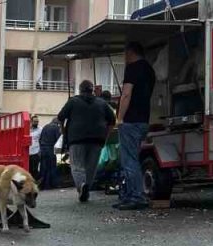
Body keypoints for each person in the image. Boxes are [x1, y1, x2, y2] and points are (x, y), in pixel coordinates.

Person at [57, 80, 116, 203]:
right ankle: (87, 188)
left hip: (76, 138)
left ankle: (81, 185)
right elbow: (112, 120)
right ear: (92, 90)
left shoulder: (73, 101)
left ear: (80, 90)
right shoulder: (101, 103)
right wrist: (106, 136)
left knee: (77, 166)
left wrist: (63, 131)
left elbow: (60, 117)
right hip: (97, 139)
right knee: (91, 167)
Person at [117, 41, 156, 210]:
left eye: (125, 53)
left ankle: (135, 197)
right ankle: (130, 195)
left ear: (130, 52)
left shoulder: (132, 68)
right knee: (133, 159)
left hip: (130, 120)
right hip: (143, 120)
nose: (124, 57)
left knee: (129, 160)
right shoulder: (149, 70)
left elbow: (126, 94)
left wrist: (120, 118)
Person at [37, 117, 62, 190]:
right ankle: (50, 185)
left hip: (43, 149)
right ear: (57, 122)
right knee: (51, 167)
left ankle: (42, 185)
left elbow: (40, 139)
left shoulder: (45, 126)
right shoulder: (56, 128)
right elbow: (58, 139)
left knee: (43, 167)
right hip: (50, 149)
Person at [28, 115, 42, 180]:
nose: (36, 123)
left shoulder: (40, 129)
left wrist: (40, 151)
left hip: (36, 152)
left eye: (37, 121)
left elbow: (41, 140)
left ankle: (35, 181)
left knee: (35, 169)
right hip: (28, 152)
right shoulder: (27, 129)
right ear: (31, 121)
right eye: (35, 121)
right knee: (29, 168)